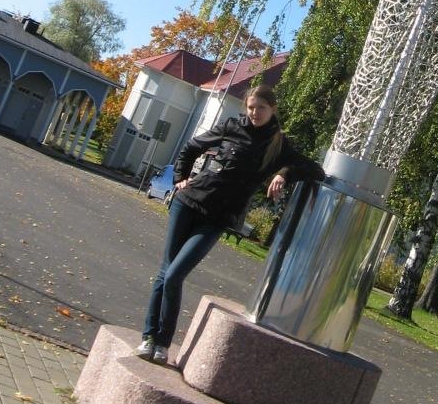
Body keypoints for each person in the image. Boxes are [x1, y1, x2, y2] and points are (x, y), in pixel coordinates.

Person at [136, 84, 324, 364]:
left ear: (273, 109)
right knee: (165, 272)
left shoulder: (279, 145)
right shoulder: (232, 126)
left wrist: (284, 173)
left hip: (218, 219)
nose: (254, 113)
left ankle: (162, 343)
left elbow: (315, 170)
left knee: (174, 275)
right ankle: (149, 338)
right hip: (188, 203)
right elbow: (191, 147)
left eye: (261, 108)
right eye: (251, 107)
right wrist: (180, 179)